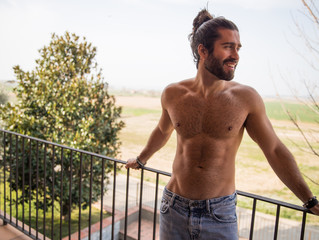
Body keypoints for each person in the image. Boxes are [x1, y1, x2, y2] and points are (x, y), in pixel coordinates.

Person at [125, 8, 319, 240]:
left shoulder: (246, 99)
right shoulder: (173, 93)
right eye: (228, 47)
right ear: (203, 51)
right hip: (173, 206)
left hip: (218, 214)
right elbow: (161, 130)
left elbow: (274, 149)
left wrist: (309, 200)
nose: (236, 55)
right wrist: (141, 159)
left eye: (238, 48)